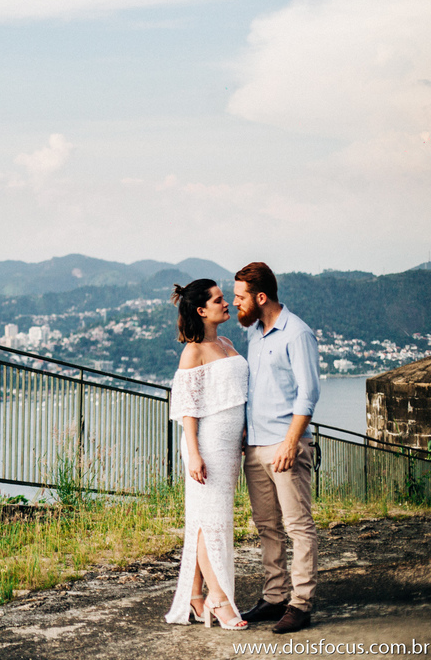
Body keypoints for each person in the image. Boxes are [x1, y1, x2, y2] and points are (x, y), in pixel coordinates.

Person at [234, 261, 320, 635]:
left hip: (286, 447)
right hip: (255, 447)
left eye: (240, 297)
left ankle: (300, 604)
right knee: (266, 526)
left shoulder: (297, 333)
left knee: (298, 527)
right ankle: (274, 598)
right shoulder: (254, 333)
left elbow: (309, 391)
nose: (236, 303)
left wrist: (290, 442)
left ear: (261, 297)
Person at [164, 279, 249, 629]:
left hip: (230, 447)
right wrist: (195, 455)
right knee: (210, 523)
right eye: (218, 299)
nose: (226, 303)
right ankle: (219, 599)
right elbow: (187, 407)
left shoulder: (227, 342)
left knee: (212, 520)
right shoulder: (194, 350)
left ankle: (196, 596)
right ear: (202, 310)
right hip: (207, 447)